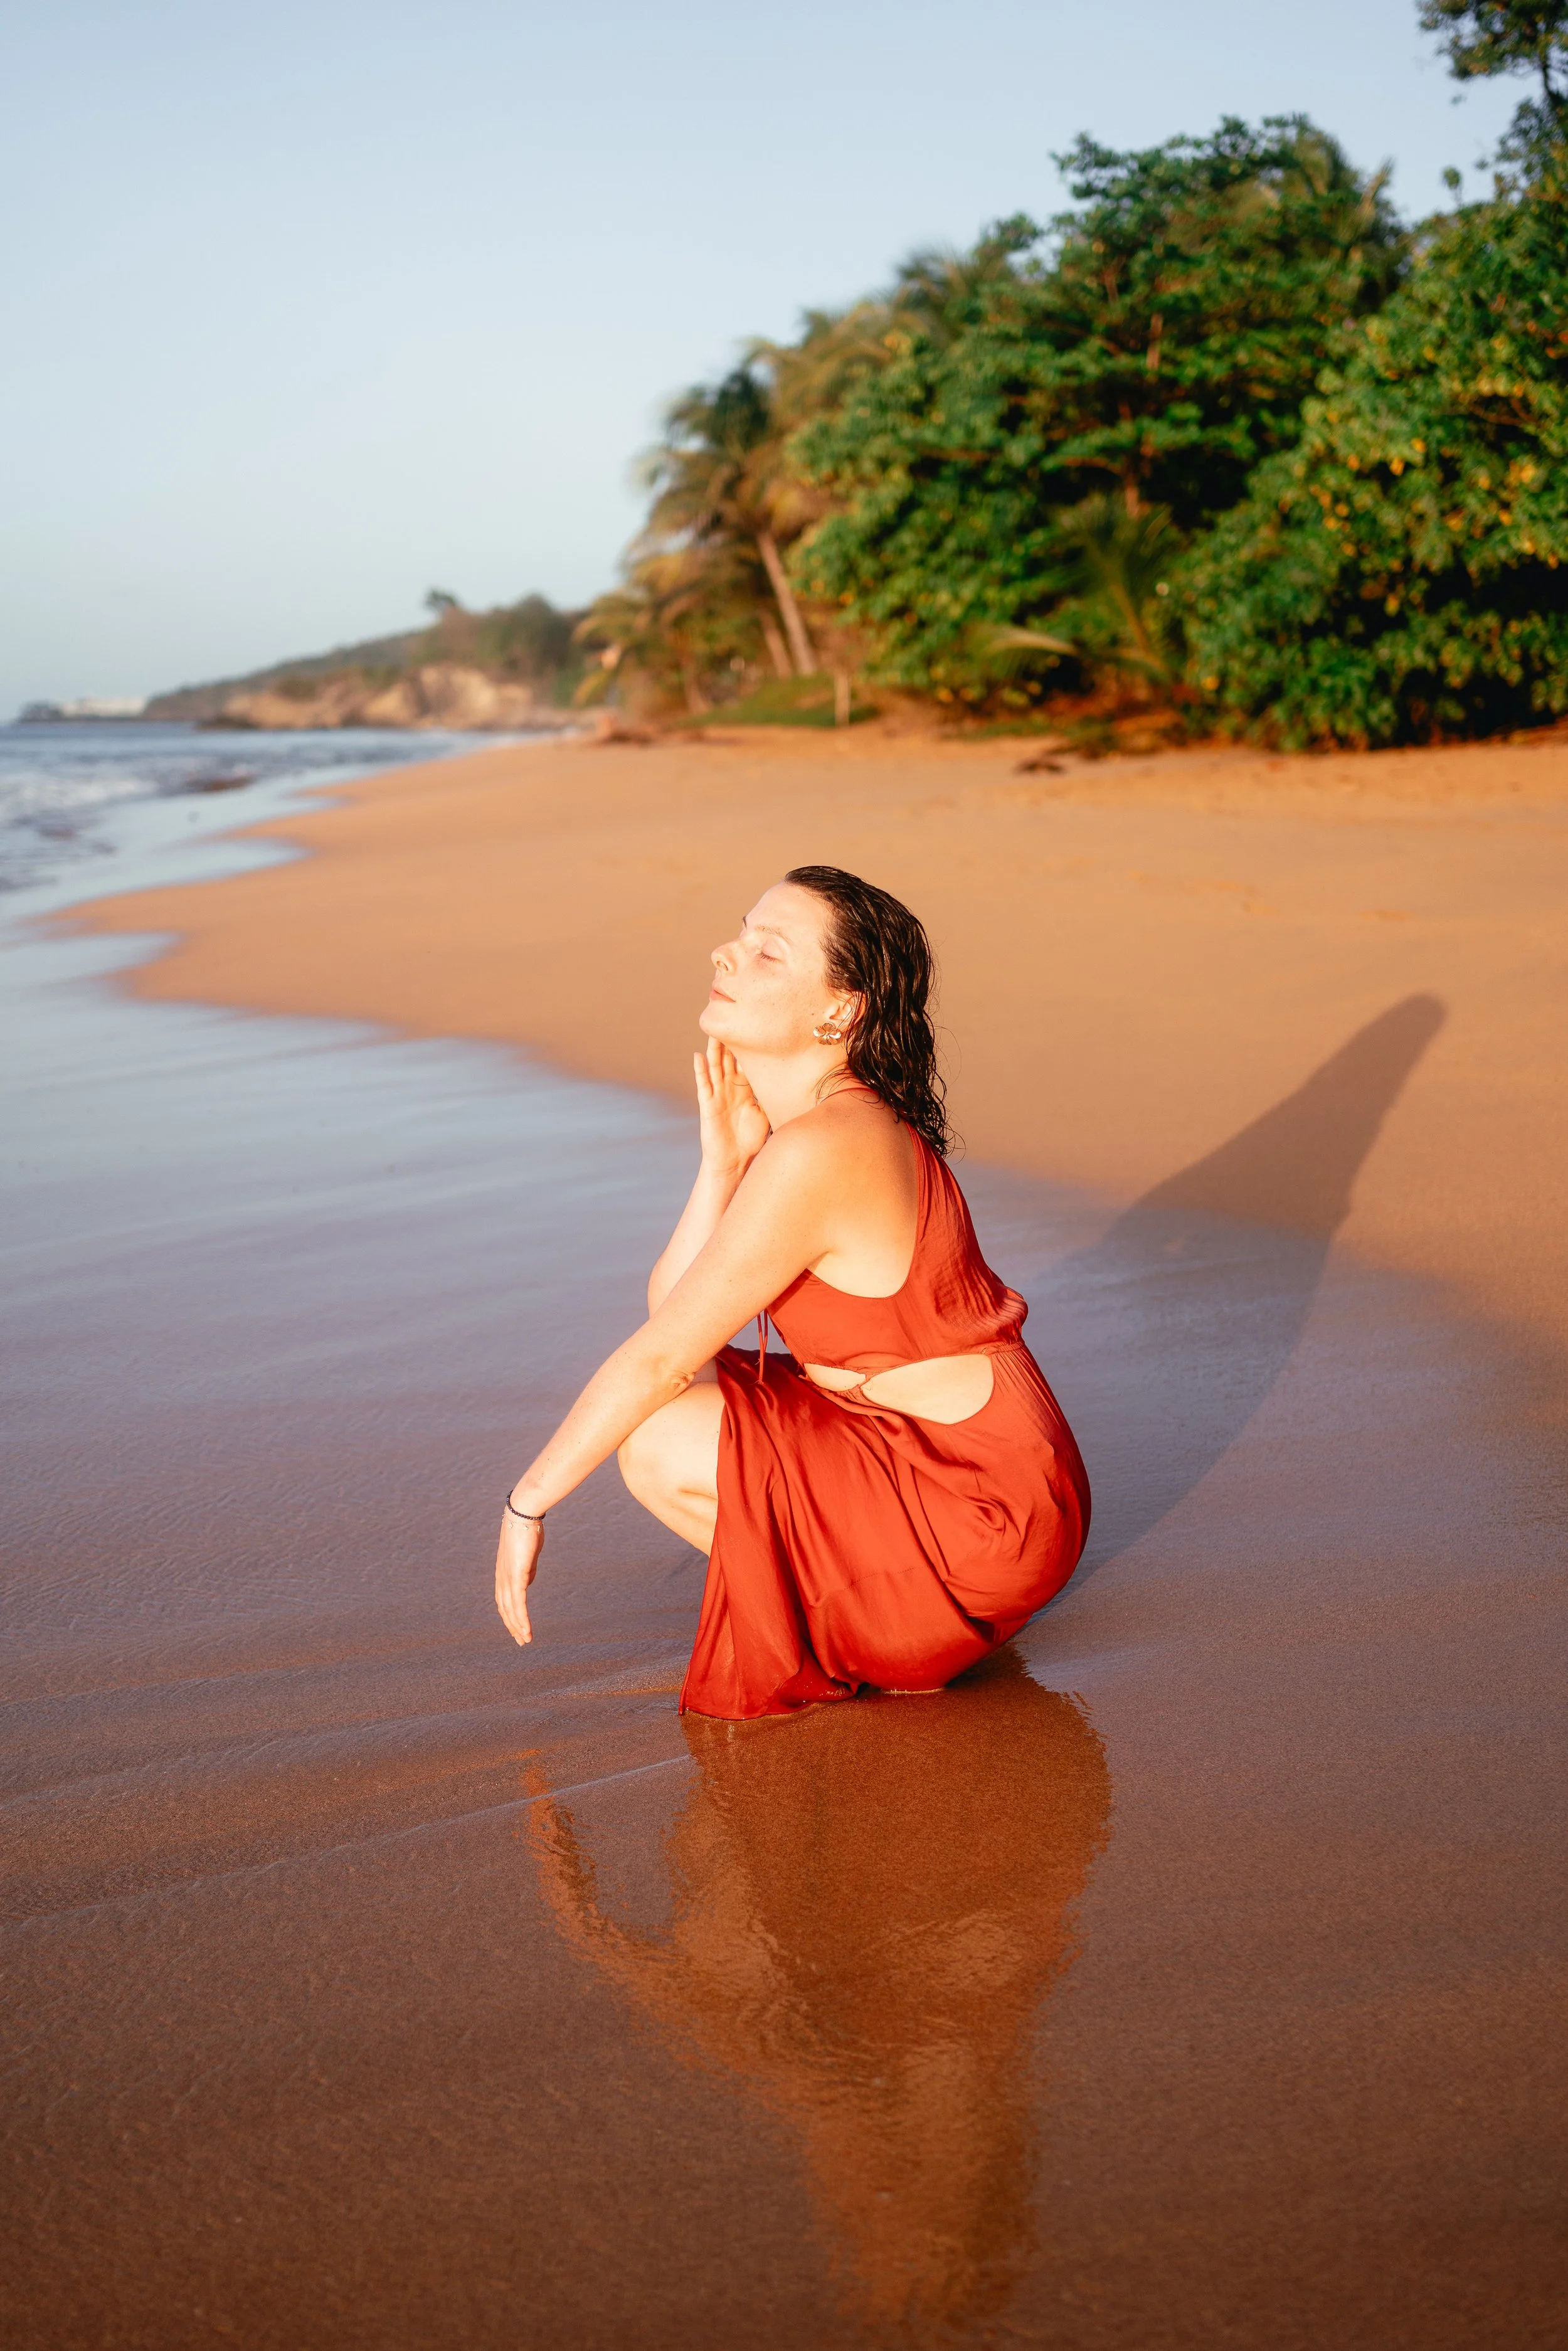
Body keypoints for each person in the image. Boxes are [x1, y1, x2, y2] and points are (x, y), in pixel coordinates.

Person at [494, 864, 1089, 1719]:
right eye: (742, 934)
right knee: (664, 1417)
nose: (726, 954)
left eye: (767, 952)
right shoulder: (816, 1133)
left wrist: (529, 1502)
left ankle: (881, 1626)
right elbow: (677, 1318)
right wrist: (723, 1164)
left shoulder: (829, 1145)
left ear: (839, 1010)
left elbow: (663, 1359)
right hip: (937, 1467)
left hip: (981, 1509)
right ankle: (865, 1614)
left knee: (655, 1432)